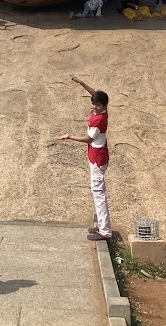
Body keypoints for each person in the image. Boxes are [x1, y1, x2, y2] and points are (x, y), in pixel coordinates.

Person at [57, 75, 112, 241]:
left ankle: (105, 231)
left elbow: (89, 139)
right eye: (94, 103)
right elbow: (95, 93)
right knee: (97, 193)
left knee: (98, 193)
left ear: (104, 106)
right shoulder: (102, 111)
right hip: (97, 155)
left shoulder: (98, 120)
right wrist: (82, 83)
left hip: (97, 157)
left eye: (97, 105)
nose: (95, 106)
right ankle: (101, 226)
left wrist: (69, 136)